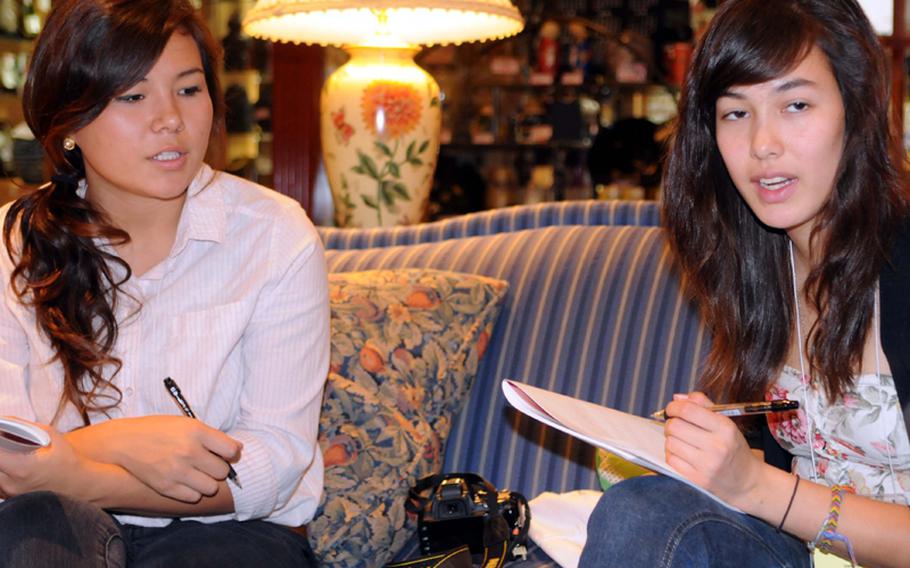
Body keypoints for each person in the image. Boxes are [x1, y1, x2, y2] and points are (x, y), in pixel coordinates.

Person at [580, 0, 910, 566]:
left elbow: (766, 490)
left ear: (857, 110)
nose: (762, 144)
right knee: (642, 507)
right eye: (736, 113)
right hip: (799, 554)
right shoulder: (757, 265)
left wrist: (754, 486)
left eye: (796, 104)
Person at [0, 1, 329, 566]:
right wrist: (115, 443)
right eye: (132, 96)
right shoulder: (12, 244)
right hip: (52, 528)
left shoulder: (274, 236)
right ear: (70, 120)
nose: (170, 120)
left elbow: (274, 460)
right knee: (32, 528)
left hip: (228, 535)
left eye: (188, 89)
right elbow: (10, 456)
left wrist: (80, 472)